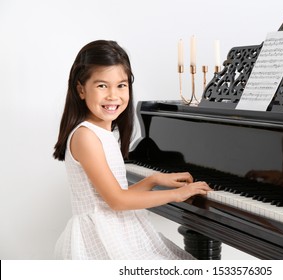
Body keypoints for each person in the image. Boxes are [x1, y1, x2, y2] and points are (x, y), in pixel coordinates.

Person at [53, 40, 211, 260]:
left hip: (117, 232)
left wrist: (153, 180)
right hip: (102, 241)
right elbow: (117, 201)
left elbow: (113, 197)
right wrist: (177, 194)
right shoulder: (85, 136)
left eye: (121, 85)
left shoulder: (102, 133)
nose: (113, 95)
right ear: (81, 89)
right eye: (102, 86)